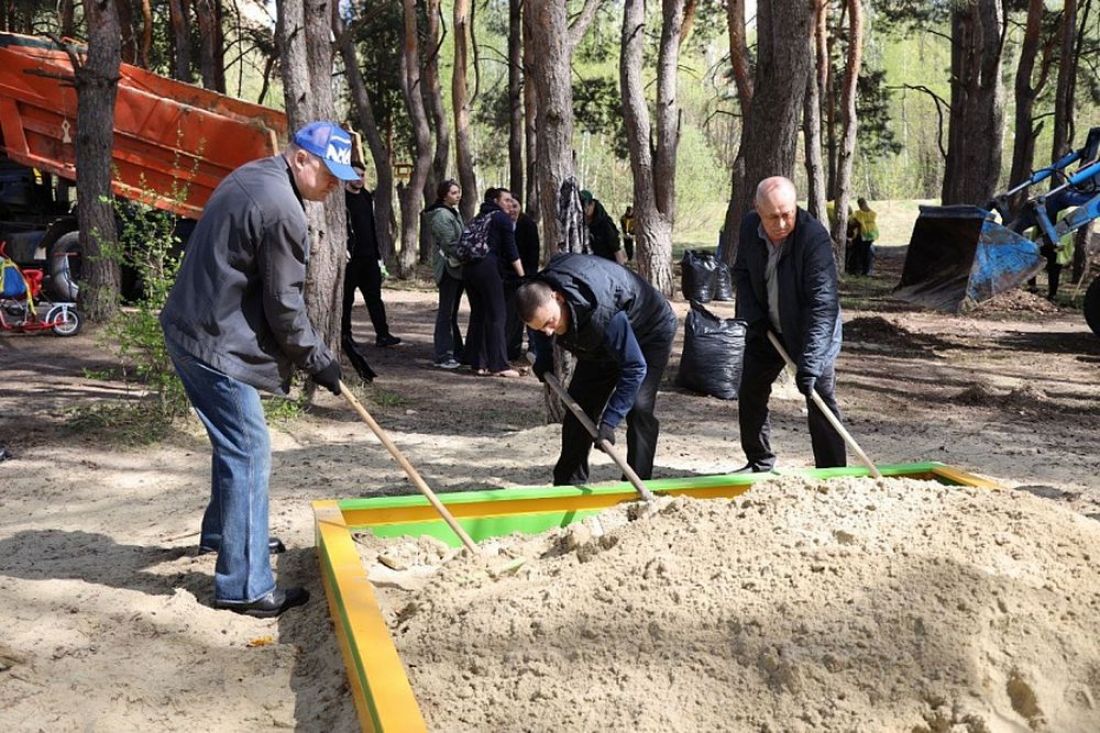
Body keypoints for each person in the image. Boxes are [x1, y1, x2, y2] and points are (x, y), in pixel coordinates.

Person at [160, 120, 358, 618]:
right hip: (213, 342)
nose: (333, 184)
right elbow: (284, 305)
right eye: (328, 172)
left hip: (194, 325)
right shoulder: (282, 209)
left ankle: (222, 534)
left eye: (340, 174)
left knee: (234, 443)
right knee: (249, 447)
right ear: (300, 158)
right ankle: (245, 586)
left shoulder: (258, 175)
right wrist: (318, 361)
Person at [518, 253, 677, 486]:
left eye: (550, 322)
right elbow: (540, 324)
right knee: (579, 408)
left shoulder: (601, 313)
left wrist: (609, 422)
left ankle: (637, 483)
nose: (549, 332)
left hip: (648, 332)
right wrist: (543, 356)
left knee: (639, 408)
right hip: (597, 339)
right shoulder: (539, 298)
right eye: (541, 328)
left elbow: (634, 367)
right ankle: (568, 484)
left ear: (558, 297)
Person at [733, 176, 846, 473]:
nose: (782, 223)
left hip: (811, 332)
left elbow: (823, 306)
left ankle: (833, 472)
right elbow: (742, 274)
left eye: (788, 214)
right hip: (767, 327)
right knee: (751, 392)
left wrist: (809, 363)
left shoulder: (814, 239)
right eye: (773, 217)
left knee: (819, 396)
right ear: (758, 211)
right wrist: (752, 315)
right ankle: (759, 461)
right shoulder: (748, 228)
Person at [463, 187, 525, 377]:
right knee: (498, 316)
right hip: (487, 268)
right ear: (496, 201)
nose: (509, 203)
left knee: (480, 314)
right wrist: (523, 277)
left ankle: (478, 363)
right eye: (506, 200)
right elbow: (511, 250)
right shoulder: (501, 218)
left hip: (469, 269)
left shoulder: (479, 217)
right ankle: (499, 365)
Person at [344, 163, 401, 350]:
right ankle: (346, 336)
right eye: (355, 175)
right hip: (350, 259)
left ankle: (383, 335)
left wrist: (378, 255)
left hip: (369, 257)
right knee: (346, 299)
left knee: (374, 298)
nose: (359, 179)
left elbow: (371, 227)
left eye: (362, 175)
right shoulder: (340, 199)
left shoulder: (366, 197)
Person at [425, 179, 466, 369]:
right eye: (453, 193)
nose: (457, 196)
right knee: (446, 313)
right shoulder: (442, 215)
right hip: (449, 268)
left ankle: (456, 350)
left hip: (457, 268)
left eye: (458, 192)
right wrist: (468, 253)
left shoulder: (452, 212)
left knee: (451, 313)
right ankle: (444, 354)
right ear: (444, 195)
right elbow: (450, 243)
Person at [504, 195, 540, 361]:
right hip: (509, 278)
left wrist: (528, 275)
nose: (512, 209)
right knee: (512, 316)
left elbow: (533, 252)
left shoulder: (528, 224)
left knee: (530, 311)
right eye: (510, 206)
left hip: (526, 275)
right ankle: (512, 348)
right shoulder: (504, 224)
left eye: (515, 206)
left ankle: (534, 347)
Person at [579, 190, 626, 264]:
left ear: (592, 204)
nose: (584, 210)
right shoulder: (580, 223)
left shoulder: (605, 224)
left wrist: (621, 270)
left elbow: (616, 250)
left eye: (586, 207)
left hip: (607, 264)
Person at [849, 197, 878, 276]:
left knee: (861, 253)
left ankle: (859, 270)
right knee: (868, 252)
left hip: (863, 234)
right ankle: (867, 270)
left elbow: (853, 222)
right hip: (872, 234)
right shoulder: (872, 213)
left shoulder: (859, 214)